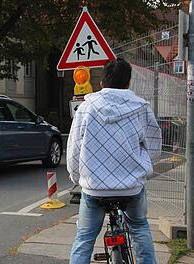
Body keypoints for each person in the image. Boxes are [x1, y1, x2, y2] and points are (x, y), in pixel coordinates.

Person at [67, 58, 162, 264]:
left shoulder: (86, 108)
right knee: (139, 227)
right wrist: (145, 169)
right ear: (128, 83)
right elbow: (154, 146)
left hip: (95, 189)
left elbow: (74, 148)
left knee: (84, 239)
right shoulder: (141, 108)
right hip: (131, 188)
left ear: (102, 82)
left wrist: (77, 177)